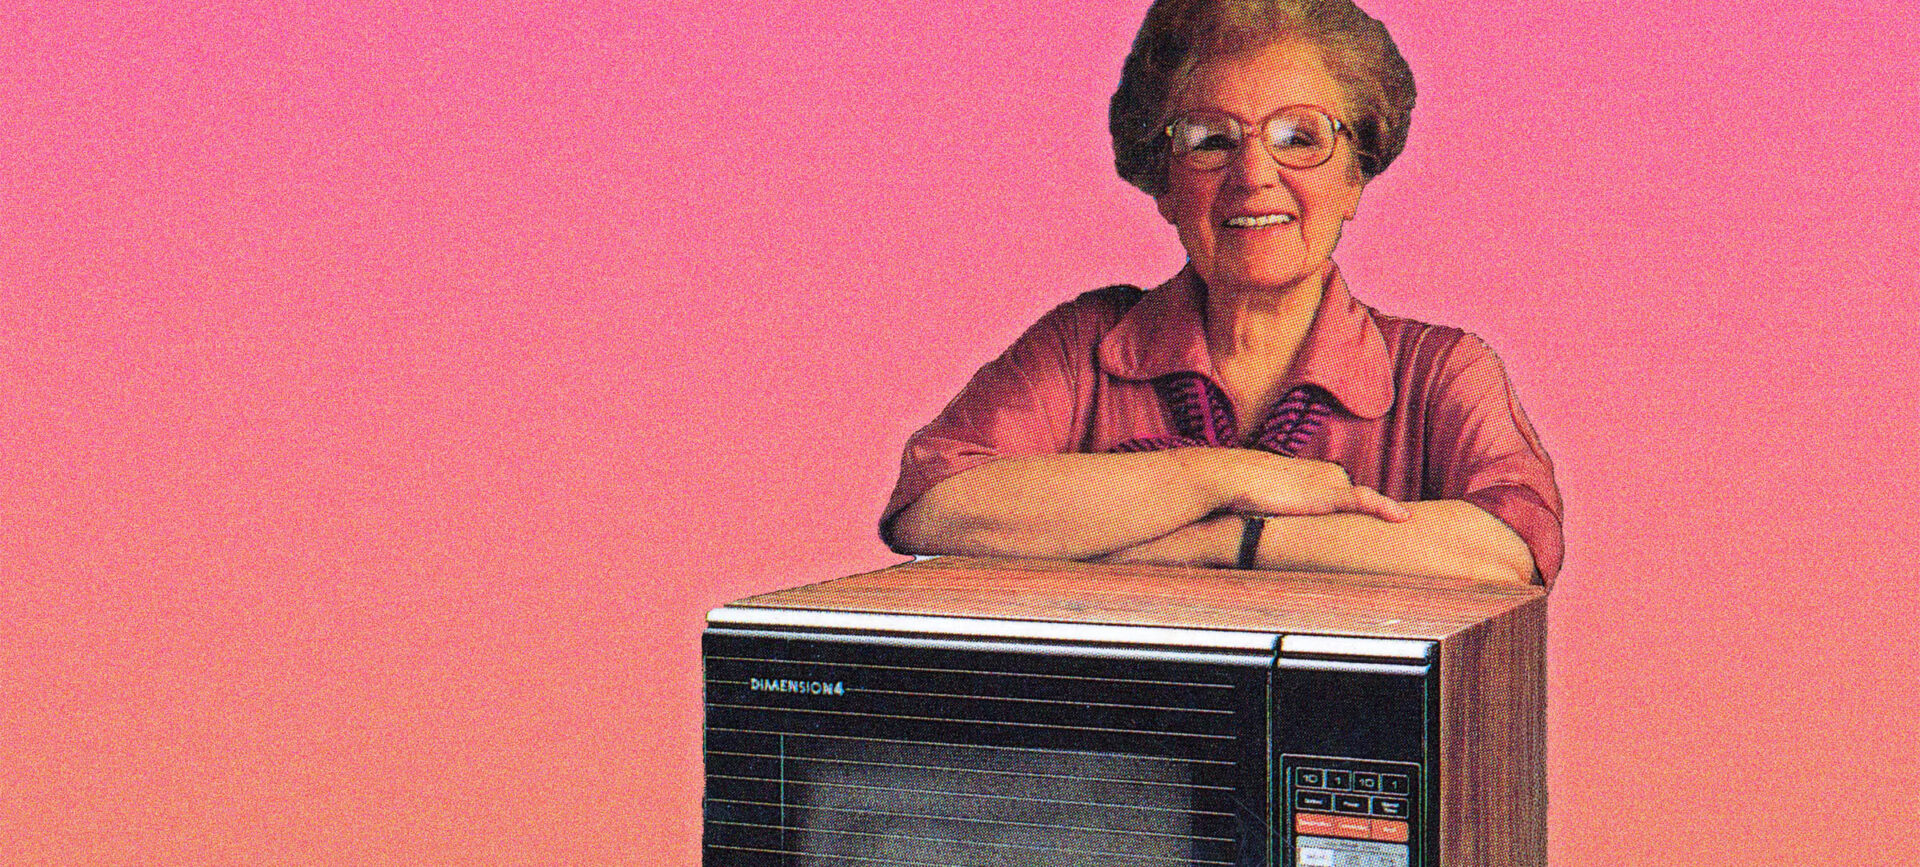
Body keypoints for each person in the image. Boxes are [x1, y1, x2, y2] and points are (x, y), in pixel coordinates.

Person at [881, 0, 1563, 585]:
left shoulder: (1440, 370)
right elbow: (934, 504)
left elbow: (1514, 549)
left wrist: (1226, 540)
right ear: (1165, 184)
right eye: (1212, 139)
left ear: (1356, 178)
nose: (1253, 173)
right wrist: (1221, 477)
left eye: (1301, 137)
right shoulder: (1083, 343)